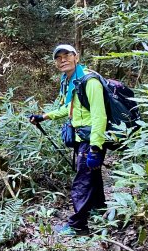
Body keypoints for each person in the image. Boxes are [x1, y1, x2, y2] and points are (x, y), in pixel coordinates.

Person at [29, 45, 107, 235]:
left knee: (82, 180)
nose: (62, 60)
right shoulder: (70, 81)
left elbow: (100, 116)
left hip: (92, 139)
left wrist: (95, 148)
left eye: (67, 56)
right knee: (92, 176)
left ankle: (78, 226)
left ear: (76, 57)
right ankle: (99, 210)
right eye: (58, 58)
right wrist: (44, 116)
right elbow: (68, 108)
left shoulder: (90, 81)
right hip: (82, 137)